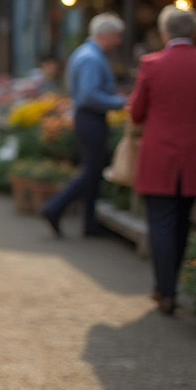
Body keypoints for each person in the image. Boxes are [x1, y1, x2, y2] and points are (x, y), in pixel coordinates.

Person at [129, 6, 196, 315]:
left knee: (160, 221)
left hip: (160, 153)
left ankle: (164, 290)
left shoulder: (151, 64)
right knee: (183, 221)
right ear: (194, 32)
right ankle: (170, 287)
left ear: (164, 31)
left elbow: (135, 112)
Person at [39, 13, 127, 238]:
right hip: (91, 118)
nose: (119, 41)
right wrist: (120, 102)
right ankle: (55, 208)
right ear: (106, 35)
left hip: (87, 117)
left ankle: (89, 222)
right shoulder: (91, 58)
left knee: (92, 172)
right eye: (117, 36)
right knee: (91, 172)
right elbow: (89, 95)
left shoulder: (86, 54)